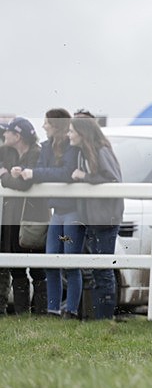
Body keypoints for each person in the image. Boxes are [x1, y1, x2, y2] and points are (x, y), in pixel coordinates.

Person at [20, 109, 84, 319]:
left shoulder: (72, 148)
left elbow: (65, 173)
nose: (44, 126)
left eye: (47, 122)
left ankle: (72, 310)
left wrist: (37, 174)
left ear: (55, 125)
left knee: (71, 263)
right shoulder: (47, 147)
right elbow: (45, 172)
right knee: (50, 260)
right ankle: (53, 309)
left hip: (72, 212)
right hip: (57, 212)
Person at [68, 116, 124, 320]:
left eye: (72, 131)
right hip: (93, 218)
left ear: (83, 133)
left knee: (103, 269)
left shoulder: (101, 150)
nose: (69, 134)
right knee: (97, 269)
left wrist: (85, 177)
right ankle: (99, 317)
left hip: (105, 219)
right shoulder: (84, 152)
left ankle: (105, 318)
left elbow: (112, 179)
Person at [0, 117, 48, 314]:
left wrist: (4, 176)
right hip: (12, 217)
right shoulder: (9, 152)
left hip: (32, 217)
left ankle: (42, 314)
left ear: (17, 136)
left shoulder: (37, 153)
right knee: (16, 267)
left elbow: (24, 185)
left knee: (37, 268)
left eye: (8, 132)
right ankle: (22, 315)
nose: (4, 135)